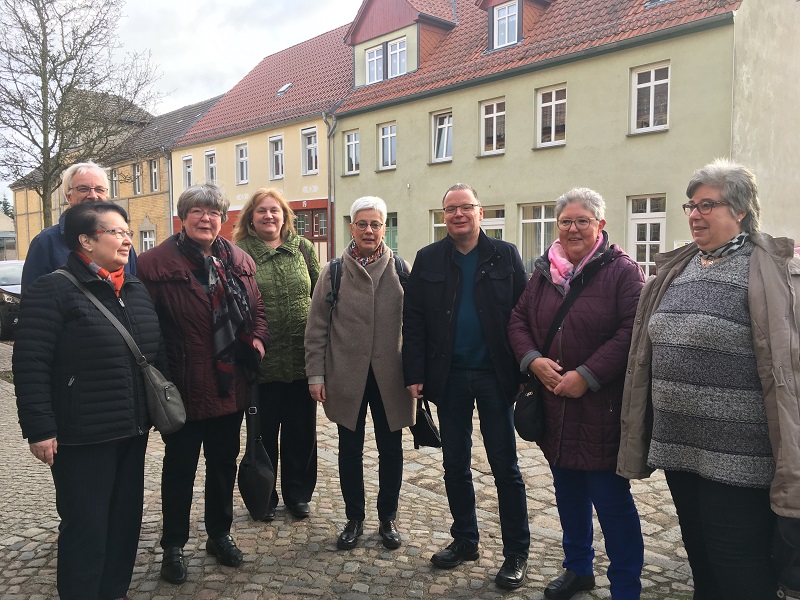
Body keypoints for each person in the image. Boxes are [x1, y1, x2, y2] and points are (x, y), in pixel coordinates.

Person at [618, 159, 800, 600]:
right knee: (700, 557)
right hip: (680, 447)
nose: (695, 215)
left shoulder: (769, 271)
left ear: (739, 210)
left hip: (739, 453)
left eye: (707, 206)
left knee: (739, 564)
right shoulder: (677, 270)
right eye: (690, 206)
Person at [14, 201, 165, 600]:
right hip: (81, 435)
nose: (127, 238)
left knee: (124, 522)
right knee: (86, 525)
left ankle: (114, 591)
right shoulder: (54, 289)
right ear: (85, 240)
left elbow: (153, 353)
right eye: (116, 231)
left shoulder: (132, 288)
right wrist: (40, 428)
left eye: (128, 231)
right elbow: (30, 363)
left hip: (131, 430)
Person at [508, 188, 645, 599]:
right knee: (567, 495)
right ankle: (578, 568)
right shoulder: (544, 273)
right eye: (566, 221)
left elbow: (632, 330)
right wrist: (532, 359)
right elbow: (517, 321)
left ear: (600, 225)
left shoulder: (623, 271)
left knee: (611, 502)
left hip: (600, 408)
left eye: (582, 220)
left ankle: (625, 586)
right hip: (555, 407)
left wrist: (587, 374)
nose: (573, 228)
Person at [137, 182, 269, 584]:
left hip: (231, 385)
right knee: (179, 469)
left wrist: (258, 341)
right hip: (183, 386)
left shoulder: (239, 259)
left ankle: (219, 534)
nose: (205, 218)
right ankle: (173, 545)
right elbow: (146, 327)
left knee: (223, 465)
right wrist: (163, 372)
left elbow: (257, 307)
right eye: (197, 211)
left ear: (223, 220)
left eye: (213, 213)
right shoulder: (154, 264)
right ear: (182, 216)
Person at [402, 183, 530, 590]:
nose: (458, 214)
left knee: (505, 467)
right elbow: (415, 319)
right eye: (451, 209)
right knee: (454, 464)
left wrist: (526, 369)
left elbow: (522, 313)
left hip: (495, 376)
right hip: (449, 376)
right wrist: (413, 372)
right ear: (444, 216)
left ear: (481, 212)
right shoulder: (428, 258)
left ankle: (516, 552)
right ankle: (465, 540)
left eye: (466, 207)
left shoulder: (505, 254)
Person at [304, 196, 413, 551]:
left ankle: (388, 518)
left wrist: (418, 372)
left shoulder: (401, 270)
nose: (369, 230)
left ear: (385, 227)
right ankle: (354, 517)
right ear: (351, 227)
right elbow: (317, 328)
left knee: (390, 448)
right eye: (362, 223)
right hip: (346, 375)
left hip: (390, 376)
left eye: (376, 224)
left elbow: (416, 327)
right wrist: (316, 375)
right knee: (349, 449)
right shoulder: (333, 271)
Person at [233, 188, 320, 521]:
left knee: (302, 433)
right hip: (261, 363)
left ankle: (298, 496)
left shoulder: (303, 249)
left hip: (301, 359)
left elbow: (319, 294)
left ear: (285, 216)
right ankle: (264, 496)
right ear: (250, 218)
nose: (269, 216)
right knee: (263, 432)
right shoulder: (238, 253)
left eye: (275, 210)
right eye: (261, 211)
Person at [21, 161, 137, 292]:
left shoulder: (123, 243)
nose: (93, 196)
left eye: (99, 189)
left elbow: (133, 292)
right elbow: (33, 300)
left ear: (107, 195)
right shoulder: (46, 242)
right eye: (83, 189)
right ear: (68, 196)